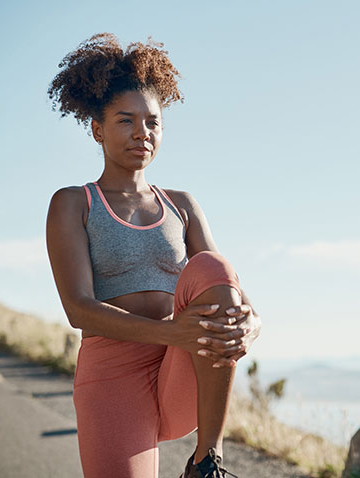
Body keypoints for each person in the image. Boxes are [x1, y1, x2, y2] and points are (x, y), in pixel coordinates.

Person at [45, 33, 261, 478]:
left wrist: (251, 326)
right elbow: (77, 308)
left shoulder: (181, 204)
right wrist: (173, 335)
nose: (142, 133)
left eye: (153, 122)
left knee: (212, 267)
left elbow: (226, 288)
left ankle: (207, 461)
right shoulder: (74, 203)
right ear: (97, 129)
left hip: (181, 364)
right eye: (126, 121)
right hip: (113, 373)